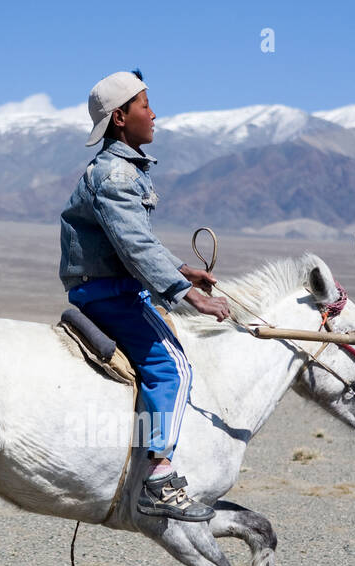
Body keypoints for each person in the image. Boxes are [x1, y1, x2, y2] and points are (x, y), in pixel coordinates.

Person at [59, 69, 230, 522]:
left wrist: (182, 270)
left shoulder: (124, 169)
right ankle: (157, 474)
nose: (154, 115)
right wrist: (185, 295)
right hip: (109, 293)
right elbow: (133, 245)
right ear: (120, 117)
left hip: (114, 286)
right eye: (144, 106)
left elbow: (137, 242)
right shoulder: (115, 174)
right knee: (169, 367)